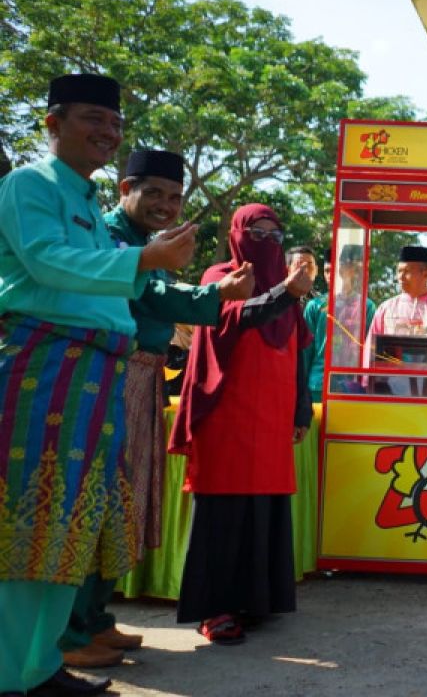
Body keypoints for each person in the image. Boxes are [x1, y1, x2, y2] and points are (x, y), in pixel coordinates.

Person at [0, 74, 196, 697]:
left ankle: (39, 668)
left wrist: (155, 270)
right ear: (52, 123)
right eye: (92, 119)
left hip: (95, 375)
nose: (107, 132)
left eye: (113, 123)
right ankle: (11, 674)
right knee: (23, 526)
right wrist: (143, 262)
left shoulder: (84, 201)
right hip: (44, 366)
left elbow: (127, 287)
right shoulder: (30, 184)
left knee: (70, 527)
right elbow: (45, 262)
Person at [49, 150, 258, 670]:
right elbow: (157, 293)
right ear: (125, 190)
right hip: (109, 376)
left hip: (141, 378)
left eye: (175, 196)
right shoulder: (113, 238)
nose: (166, 205)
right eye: (155, 194)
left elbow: (164, 285)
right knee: (96, 499)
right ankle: (70, 632)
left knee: (126, 500)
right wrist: (217, 293)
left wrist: (216, 292)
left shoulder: (144, 243)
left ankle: (95, 618)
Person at [169, 203, 313, 646]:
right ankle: (215, 610)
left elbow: (297, 354)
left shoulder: (287, 292)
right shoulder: (219, 275)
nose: (267, 241)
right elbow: (235, 315)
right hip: (227, 417)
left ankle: (255, 601)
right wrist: (284, 295)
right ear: (237, 233)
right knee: (224, 512)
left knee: (263, 510)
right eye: (258, 232)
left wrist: (300, 407)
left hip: (271, 420)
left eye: (275, 235)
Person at [365, 245, 427, 390]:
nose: (400, 277)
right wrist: (367, 386)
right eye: (399, 271)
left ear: (426, 274)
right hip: (390, 392)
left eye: (407, 271)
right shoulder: (386, 309)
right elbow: (369, 353)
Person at [302, 245, 376, 397]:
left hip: (352, 385)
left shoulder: (366, 307)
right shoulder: (315, 306)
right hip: (318, 384)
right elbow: (305, 351)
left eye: (337, 270)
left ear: (349, 271)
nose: (331, 275)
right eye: (327, 271)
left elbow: (371, 351)